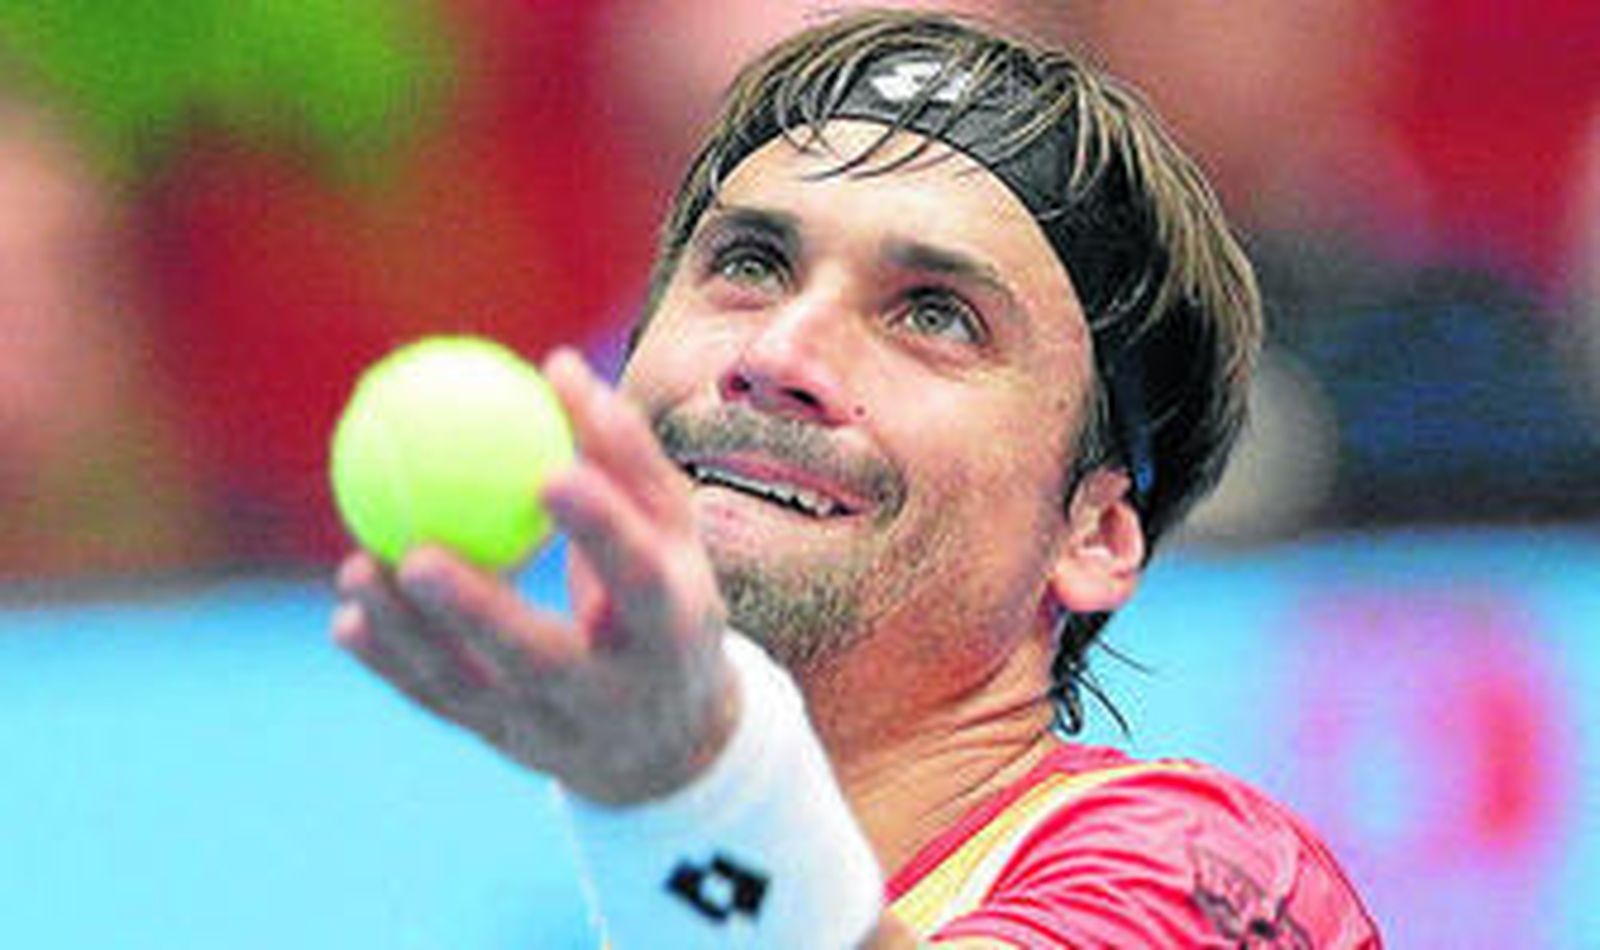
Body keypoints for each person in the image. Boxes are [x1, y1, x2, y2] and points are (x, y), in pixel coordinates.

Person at [332, 9, 1380, 946]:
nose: (781, 350)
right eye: (748, 263)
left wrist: (689, 788)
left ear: (1093, 532)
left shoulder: (1207, 875)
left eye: (932, 313)